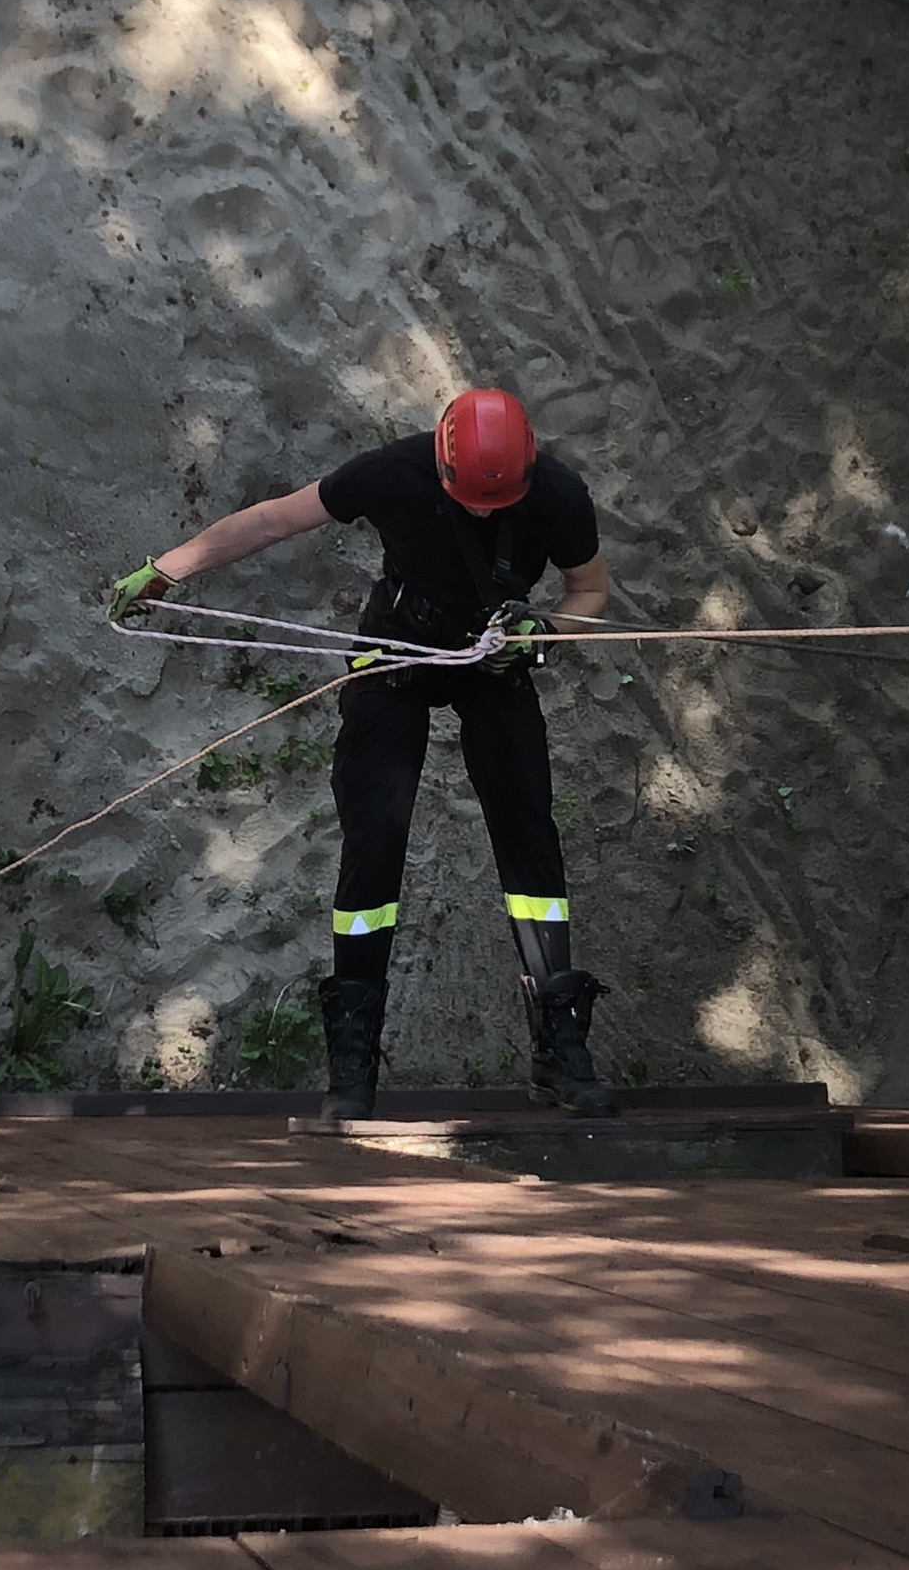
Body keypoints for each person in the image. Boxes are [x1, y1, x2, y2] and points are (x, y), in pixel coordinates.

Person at [110, 389, 618, 1120]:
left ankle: (559, 1050)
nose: (483, 515)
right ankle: (352, 1064)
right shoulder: (392, 472)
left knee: (528, 831)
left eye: (498, 504)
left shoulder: (559, 494)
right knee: (374, 838)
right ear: (441, 466)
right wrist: (166, 570)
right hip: (395, 651)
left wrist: (543, 633)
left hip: (494, 657)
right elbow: (274, 519)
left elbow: (590, 590)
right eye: (470, 502)